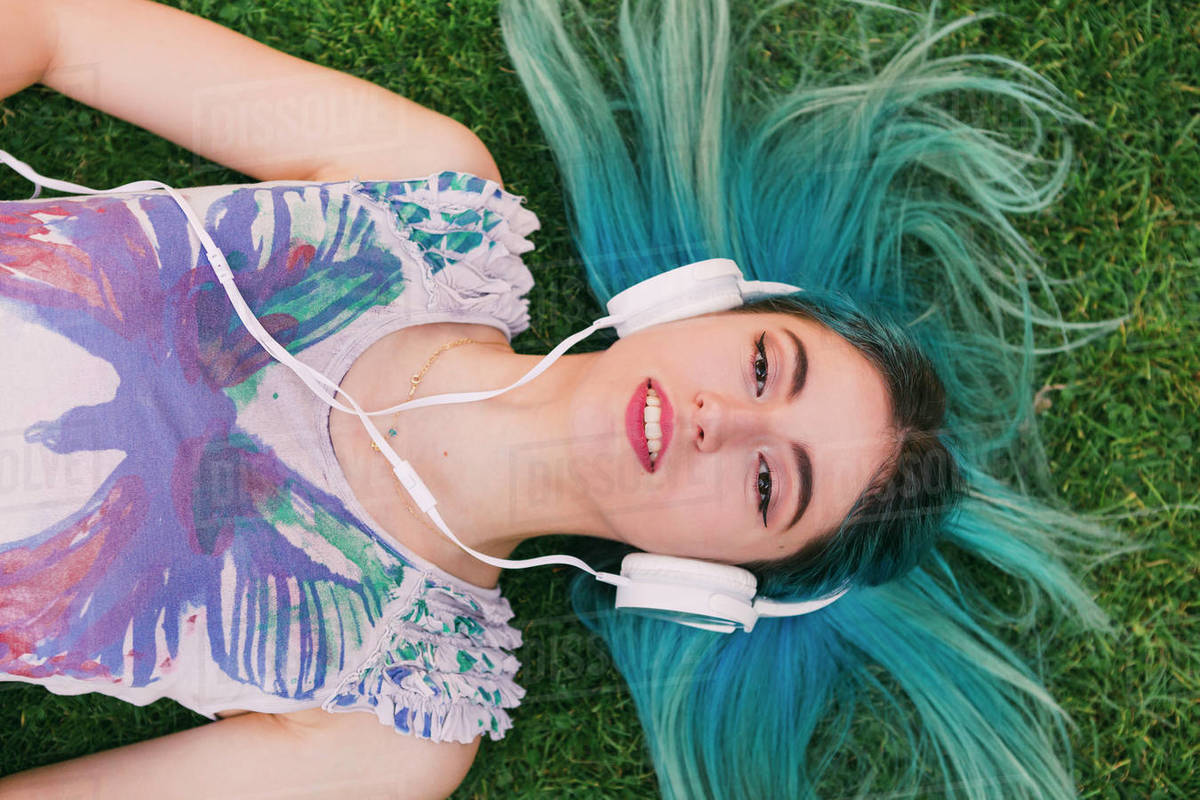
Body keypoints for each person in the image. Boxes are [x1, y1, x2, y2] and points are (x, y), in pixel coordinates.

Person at [0, 0, 1128, 798]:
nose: (717, 422)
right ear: (700, 303)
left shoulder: (401, 726)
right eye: (761, 366)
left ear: (710, 581)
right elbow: (54, 23)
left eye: (769, 479)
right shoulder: (424, 191)